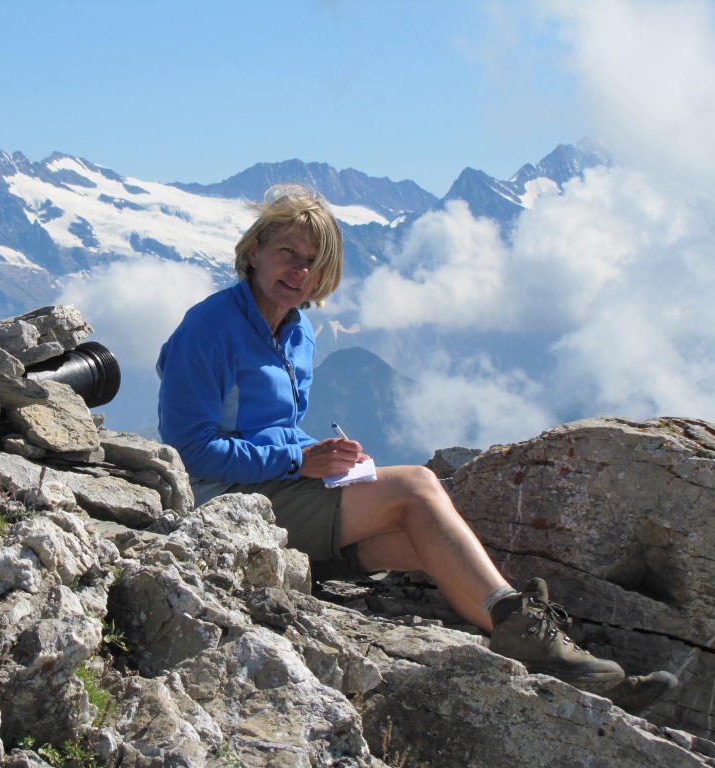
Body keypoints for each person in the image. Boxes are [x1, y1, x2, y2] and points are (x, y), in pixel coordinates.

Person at [156, 184, 676, 714]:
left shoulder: (297, 332)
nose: (300, 271)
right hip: (223, 504)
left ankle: (559, 663)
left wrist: (327, 454)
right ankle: (529, 633)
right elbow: (189, 449)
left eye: (313, 262)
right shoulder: (210, 327)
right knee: (417, 487)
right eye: (288, 252)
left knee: (423, 538)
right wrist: (298, 460)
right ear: (254, 251)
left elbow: (273, 427)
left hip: (274, 489)